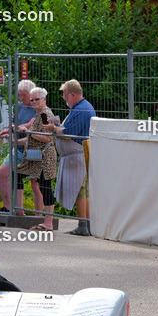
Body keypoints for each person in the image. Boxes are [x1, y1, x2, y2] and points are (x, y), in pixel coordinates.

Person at [44, 79, 95, 236]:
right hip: (77, 155)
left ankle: (83, 226)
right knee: (82, 190)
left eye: (65, 95)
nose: (64, 98)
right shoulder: (82, 107)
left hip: (76, 156)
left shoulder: (81, 109)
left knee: (80, 190)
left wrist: (53, 128)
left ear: (73, 94)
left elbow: (67, 135)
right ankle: (85, 225)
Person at [0, 79, 43, 215]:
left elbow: (31, 123)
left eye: (24, 95)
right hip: (19, 148)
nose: (22, 98)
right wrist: (8, 130)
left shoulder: (38, 107)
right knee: (2, 173)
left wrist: (17, 128)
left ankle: (39, 216)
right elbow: (13, 123)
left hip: (33, 150)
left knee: (35, 182)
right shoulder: (19, 106)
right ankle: (12, 209)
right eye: (20, 95)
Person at [16, 87, 57, 231]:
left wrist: (28, 132)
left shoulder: (46, 115)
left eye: (36, 99)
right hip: (38, 158)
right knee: (19, 175)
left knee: (45, 188)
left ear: (44, 99)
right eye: (32, 99)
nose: (33, 102)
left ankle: (48, 223)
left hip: (45, 157)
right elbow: (32, 138)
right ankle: (19, 210)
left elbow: (47, 138)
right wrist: (15, 141)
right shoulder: (39, 114)